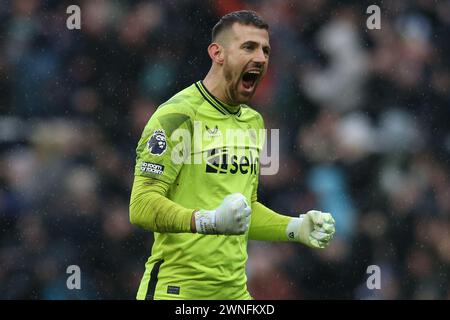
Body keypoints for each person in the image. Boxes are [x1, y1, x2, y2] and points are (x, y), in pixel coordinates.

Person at [129, 10, 336, 300]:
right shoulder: (177, 116)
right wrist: (208, 221)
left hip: (234, 294)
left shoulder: (253, 122)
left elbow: (243, 213)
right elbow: (141, 206)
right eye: (248, 47)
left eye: (265, 50)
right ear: (217, 53)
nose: (261, 58)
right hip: (176, 292)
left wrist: (294, 227)